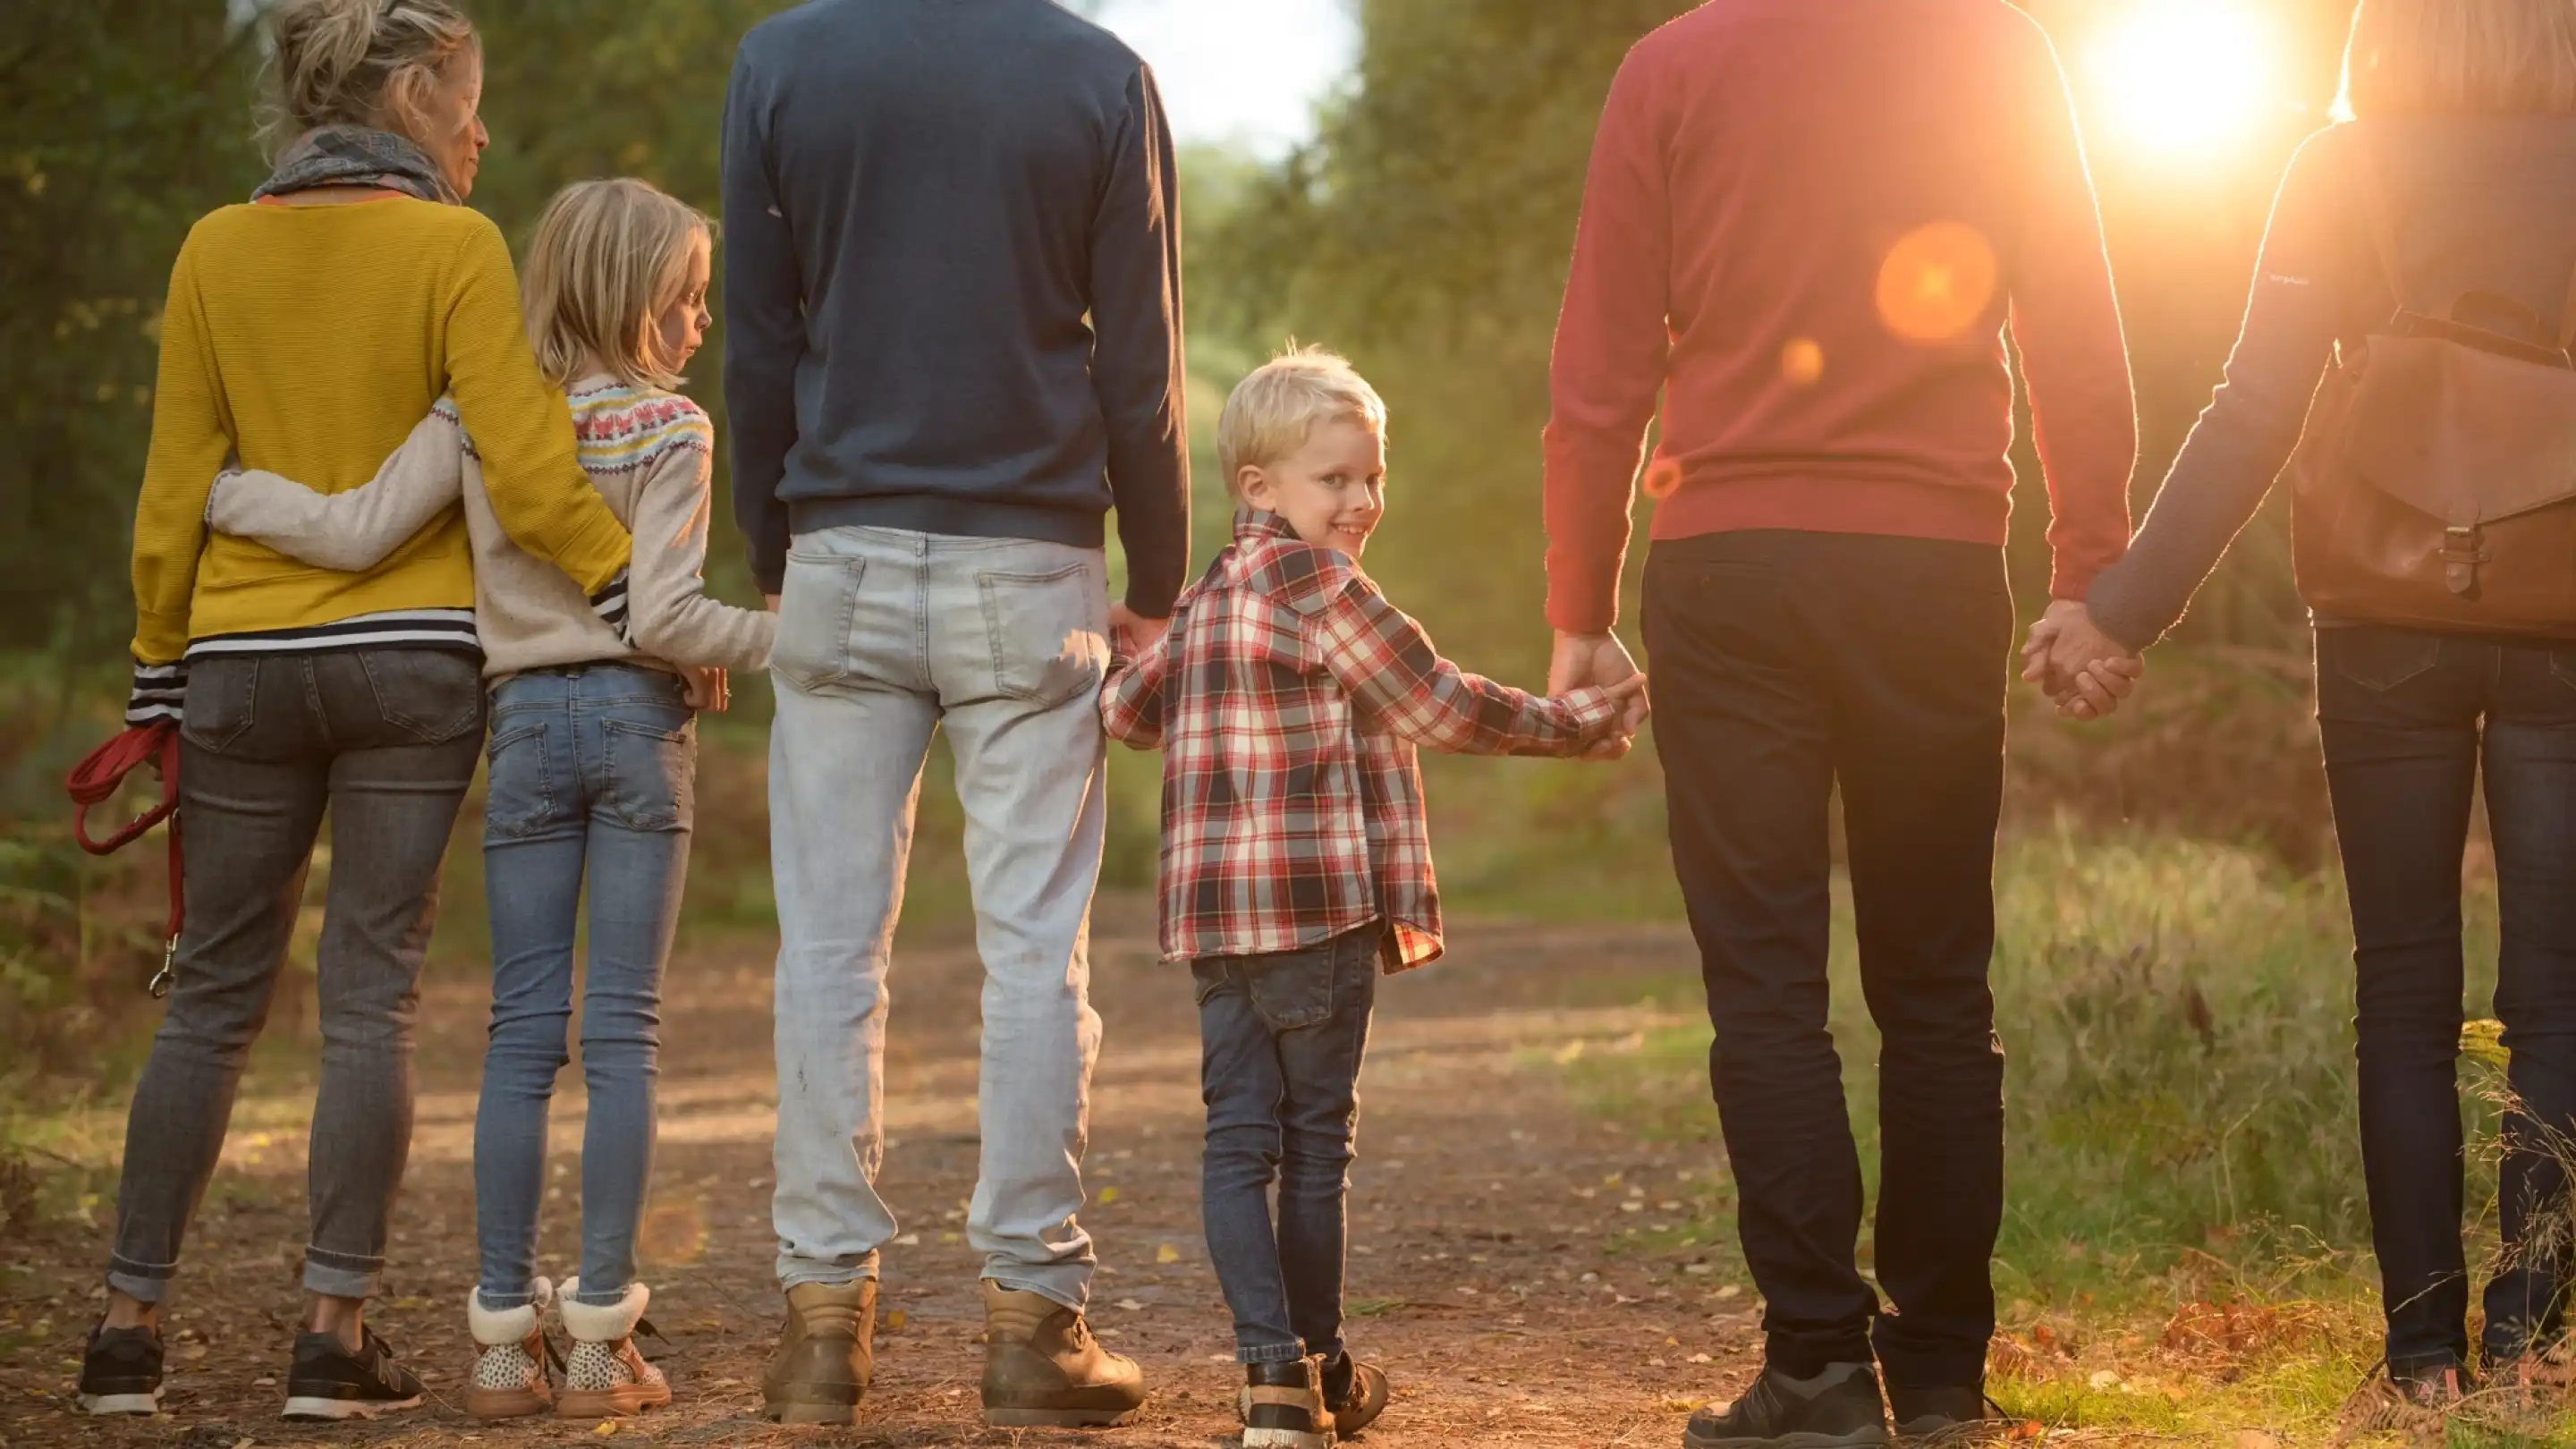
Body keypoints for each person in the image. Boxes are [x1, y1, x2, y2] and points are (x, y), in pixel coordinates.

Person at [1541, 2, 2140, 1443]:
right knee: (1938, 988)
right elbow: (2073, 316)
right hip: (1929, 569)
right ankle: (1940, 1378)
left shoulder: (1674, 68)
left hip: (1730, 571)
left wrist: (1580, 600)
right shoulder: (1996, 49)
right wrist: (2089, 571)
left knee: (1765, 984)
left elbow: (1601, 365)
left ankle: (1816, 1372)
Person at [81, 0, 635, 1422]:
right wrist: (629, 587)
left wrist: (160, 663)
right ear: (404, 102)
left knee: (208, 998)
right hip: (410, 665)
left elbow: (174, 479)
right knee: (368, 1000)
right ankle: (332, 1331)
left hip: (242, 663)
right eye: (465, 103)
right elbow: (519, 456)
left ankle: (125, 1327)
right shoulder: (455, 247)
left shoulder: (216, 247)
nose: (481, 130)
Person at [2034, 0, 2576, 1418]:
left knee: (2400, 991)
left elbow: (2254, 406)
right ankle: (2536, 1349)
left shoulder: (2344, 166)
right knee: (2562, 998)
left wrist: (2118, 606)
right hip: (2567, 620)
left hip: (2385, 617)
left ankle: (2422, 1361)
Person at [202, 177, 773, 1421]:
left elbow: (353, 532)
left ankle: (505, 1348)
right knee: (620, 1036)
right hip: (631, 727)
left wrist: (220, 488)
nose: (698, 326)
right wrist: (781, 630)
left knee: (520, 1039)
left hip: (521, 730)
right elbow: (666, 614)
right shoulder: (671, 429)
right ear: (628, 298)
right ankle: (599, 1343)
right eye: (683, 301)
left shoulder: (481, 417)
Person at [718, 0, 1190, 1428]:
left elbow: (756, 328)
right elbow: (1140, 358)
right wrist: (1156, 578)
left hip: (841, 544)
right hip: (1028, 561)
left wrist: (773, 544)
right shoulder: (1100, 76)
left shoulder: (783, 61)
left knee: (825, 953)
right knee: (1035, 957)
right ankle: (1034, 1322)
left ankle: (820, 1328)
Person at [1103, 349, 1644, 1449]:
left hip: (1214, 925)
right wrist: (1580, 724)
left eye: (1370, 478)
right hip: (1315, 920)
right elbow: (1438, 703)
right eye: (1333, 481)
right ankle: (1322, 1370)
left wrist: (1118, 659)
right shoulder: (1322, 587)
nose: (1360, 503)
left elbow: (1129, 711)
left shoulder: (1207, 595)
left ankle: (1271, 1384)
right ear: (1260, 486)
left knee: (1234, 1144)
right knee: (1312, 1149)